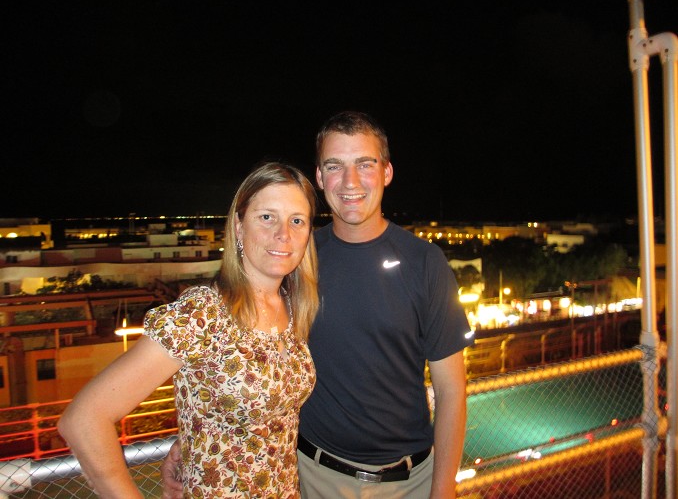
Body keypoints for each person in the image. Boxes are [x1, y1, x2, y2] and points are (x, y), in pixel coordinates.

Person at [164, 111, 471, 498]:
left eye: (365, 164)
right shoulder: (295, 258)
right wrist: (195, 434)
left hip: (411, 481)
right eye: (334, 166)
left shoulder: (425, 263)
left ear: (387, 172)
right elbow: (239, 339)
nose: (350, 181)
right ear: (320, 177)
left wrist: (442, 492)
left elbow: (451, 391)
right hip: (313, 476)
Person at [58, 161, 320, 498]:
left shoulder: (294, 307)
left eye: (297, 220)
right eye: (267, 217)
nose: (283, 234)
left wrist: (193, 435)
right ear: (238, 227)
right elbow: (83, 419)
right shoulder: (203, 314)